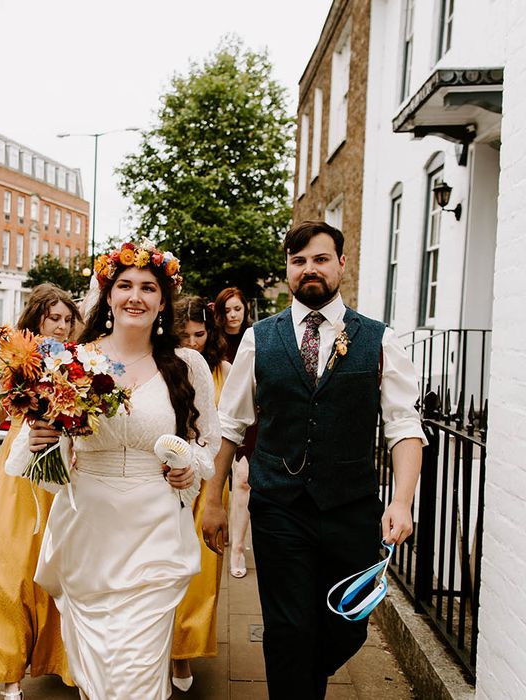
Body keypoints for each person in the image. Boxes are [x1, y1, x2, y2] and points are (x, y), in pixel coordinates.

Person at [202, 220, 426, 699]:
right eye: (299, 261)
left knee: (347, 625)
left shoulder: (379, 339)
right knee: (287, 631)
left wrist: (402, 501)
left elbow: (405, 427)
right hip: (279, 506)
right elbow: (229, 425)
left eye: (320, 259)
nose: (310, 270)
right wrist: (213, 499)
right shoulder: (260, 339)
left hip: (350, 507)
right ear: (287, 269)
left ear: (341, 265)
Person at [7, 242, 221, 699]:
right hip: (88, 534)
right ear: (108, 295)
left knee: (138, 671)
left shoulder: (187, 366)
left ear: (164, 301)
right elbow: (34, 456)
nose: (135, 296)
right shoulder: (72, 361)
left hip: (156, 535)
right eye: (124, 285)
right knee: (97, 673)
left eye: (148, 287)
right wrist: (42, 440)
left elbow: (208, 448)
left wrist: (188, 469)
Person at [0, 283, 81, 699]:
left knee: (59, 570)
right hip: (17, 472)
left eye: (69, 320)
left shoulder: (78, 363)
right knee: (7, 567)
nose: (63, 327)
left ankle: (61, 660)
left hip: (62, 473)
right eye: (55, 319)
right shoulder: (15, 360)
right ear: (36, 319)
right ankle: (8, 668)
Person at [170, 295, 231, 692]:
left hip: (209, 481)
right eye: (184, 334)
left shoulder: (224, 370)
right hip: (169, 479)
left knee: (201, 574)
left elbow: (230, 432)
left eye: (200, 333)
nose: (192, 342)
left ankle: (184, 651)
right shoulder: (163, 368)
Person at [213, 287, 254, 578]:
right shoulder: (213, 340)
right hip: (215, 415)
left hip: (249, 418)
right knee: (215, 478)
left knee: (242, 482)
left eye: (237, 309)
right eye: (227, 310)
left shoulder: (255, 339)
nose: (232, 315)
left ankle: (238, 547)